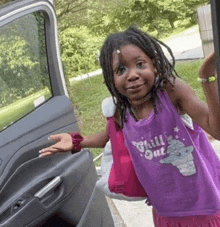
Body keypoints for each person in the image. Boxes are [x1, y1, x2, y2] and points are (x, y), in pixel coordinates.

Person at [39, 26, 220, 226]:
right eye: (121, 70)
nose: (132, 75)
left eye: (140, 64)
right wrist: (77, 142)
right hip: (165, 212)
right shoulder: (120, 110)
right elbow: (108, 137)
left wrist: (207, 78)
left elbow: (216, 130)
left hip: (206, 206)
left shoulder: (171, 92)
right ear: (111, 78)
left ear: (154, 65)